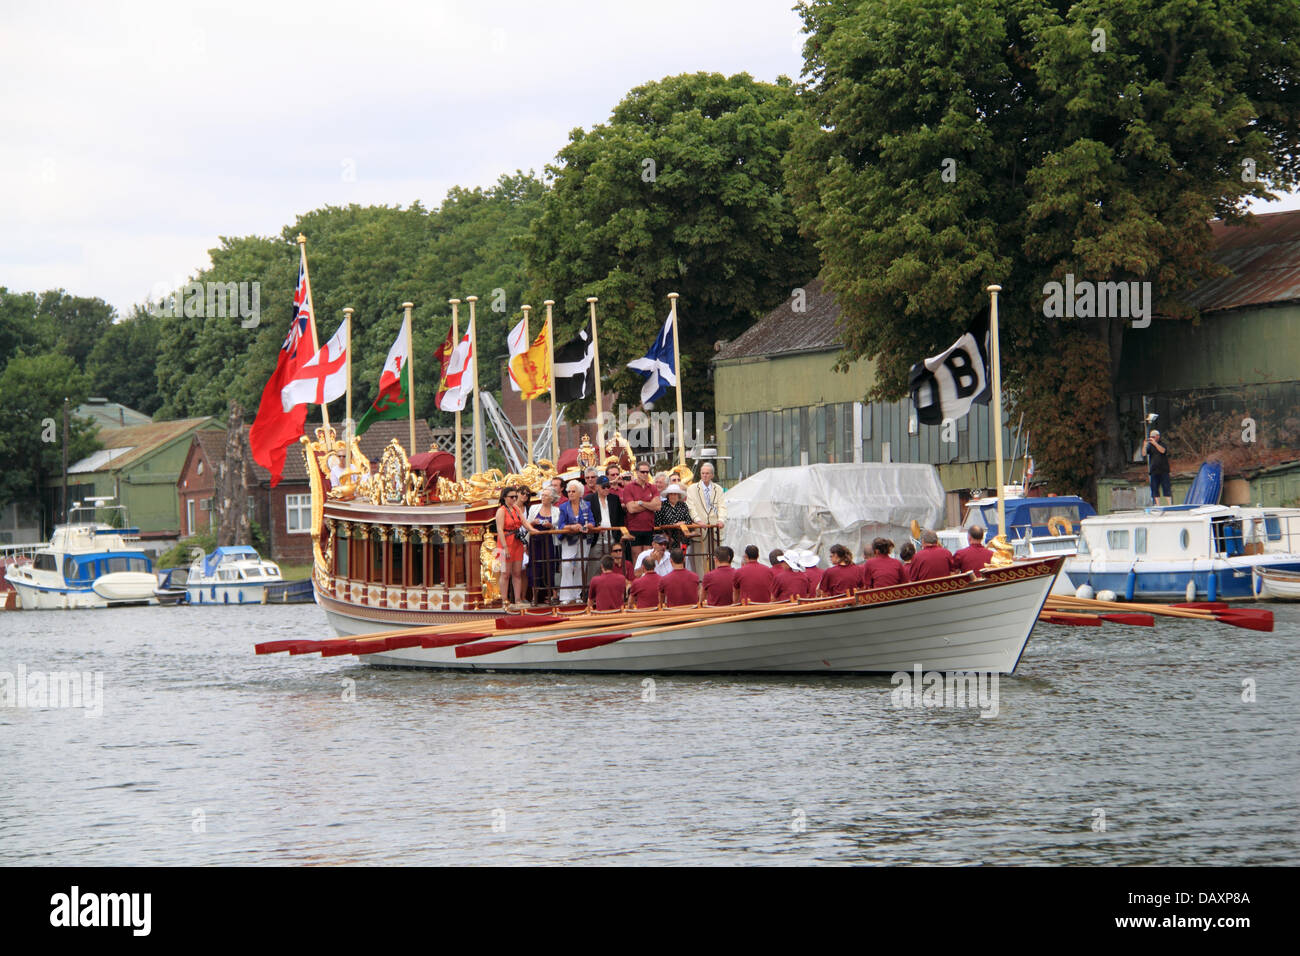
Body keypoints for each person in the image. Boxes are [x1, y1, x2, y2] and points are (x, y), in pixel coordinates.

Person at [494, 486, 541, 608]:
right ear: (505, 498)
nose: (514, 499)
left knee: (517, 572)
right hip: (504, 541)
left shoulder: (516, 508)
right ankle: (504, 600)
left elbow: (524, 522)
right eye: (511, 497)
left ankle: (518, 599)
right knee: (505, 573)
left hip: (516, 541)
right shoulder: (501, 510)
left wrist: (533, 530)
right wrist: (505, 547)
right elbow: (499, 529)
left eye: (515, 496)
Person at [556, 479, 595, 603]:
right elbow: (561, 525)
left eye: (573, 491)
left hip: (584, 538)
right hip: (569, 538)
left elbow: (592, 521)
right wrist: (571, 527)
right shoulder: (563, 507)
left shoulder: (586, 505)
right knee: (566, 565)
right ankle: (566, 596)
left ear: (580, 493)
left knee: (580, 565)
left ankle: (577, 595)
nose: (571, 493)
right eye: (569, 491)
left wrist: (588, 526)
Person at [584, 475, 627, 580]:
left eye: (608, 486)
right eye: (604, 487)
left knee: (613, 567)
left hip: (613, 538)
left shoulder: (614, 498)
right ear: (597, 487)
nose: (607, 489)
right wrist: (595, 527)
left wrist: (619, 536)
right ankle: (591, 592)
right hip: (596, 538)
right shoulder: (589, 499)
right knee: (594, 567)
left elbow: (620, 518)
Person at [619, 461, 662, 564]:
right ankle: (637, 579)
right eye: (642, 472)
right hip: (634, 527)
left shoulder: (652, 487)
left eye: (647, 472)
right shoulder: (629, 488)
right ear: (637, 472)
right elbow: (631, 509)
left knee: (648, 557)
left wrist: (641, 503)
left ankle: (647, 579)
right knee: (637, 557)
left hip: (649, 527)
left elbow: (658, 506)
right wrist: (649, 505)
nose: (645, 474)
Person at [526, 486, 560, 604]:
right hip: (535, 541)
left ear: (552, 498)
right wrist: (533, 523)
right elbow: (527, 524)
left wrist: (551, 526)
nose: (543, 497)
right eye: (543, 495)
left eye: (546, 495)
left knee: (550, 566)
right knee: (535, 567)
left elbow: (558, 526)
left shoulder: (556, 510)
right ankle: (534, 596)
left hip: (549, 540)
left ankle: (553, 594)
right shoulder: (534, 508)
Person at [655, 483, 697, 552]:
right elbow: (657, 523)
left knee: (682, 558)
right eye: (671, 494)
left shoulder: (683, 505)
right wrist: (665, 536)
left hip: (682, 539)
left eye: (675, 494)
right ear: (668, 495)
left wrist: (682, 523)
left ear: (679, 496)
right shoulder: (662, 505)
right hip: (668, 539)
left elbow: (689, 520)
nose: (673, 496)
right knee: (670, 558)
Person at [1143, 428, 1171, 506]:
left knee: (1166, 487)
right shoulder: (1150, 446)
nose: (1152, 438)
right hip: (1154, 470)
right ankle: (1158, 504)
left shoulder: (1162, 444)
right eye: (1151, 437)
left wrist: (1155, 444)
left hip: (1163, 470)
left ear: (1158, 436)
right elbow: (1144, 454)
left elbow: (1163, 451)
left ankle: (1169, 504)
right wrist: (1145, 445)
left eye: (1154, 437)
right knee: (1155, 489)